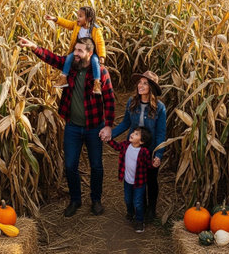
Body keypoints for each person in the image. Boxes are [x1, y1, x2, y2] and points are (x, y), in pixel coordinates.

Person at [18, 36, 114, 217]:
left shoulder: (100, 72)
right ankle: (75, 200)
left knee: (96, 166)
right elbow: (52, 58)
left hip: (94, 127)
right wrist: (33, 46)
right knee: (70, 166)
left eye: (79, 51)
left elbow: (109, 99)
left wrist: (108, 126)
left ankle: (96, 200)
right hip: (73, 126)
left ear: (90, 53)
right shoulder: (70, 67)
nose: (75, 54)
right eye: (74, 50)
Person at [100, 70, 166, 223]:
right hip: (135, 149)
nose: (140, 85)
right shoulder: (132, 102)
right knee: (139, 179)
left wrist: (158, 154)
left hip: (150, 149)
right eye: (140, 82)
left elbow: (161, 133)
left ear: (151, 88)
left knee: (151, 180)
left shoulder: (160, 108)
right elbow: (125, 123)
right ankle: (140, 209)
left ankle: (152, 209)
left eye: (145, 83)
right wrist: (111, 134)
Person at [45, 6, 105, 94]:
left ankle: (96, 83)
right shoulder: (77, 25)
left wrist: (102, 56)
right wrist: (55, 19)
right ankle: (63, 78)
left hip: (91, 52)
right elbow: (67, 23)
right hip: (78, 51)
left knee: (95, 61)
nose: (77, 18)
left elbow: (100, 43)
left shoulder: (95, 30)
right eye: (77, 16)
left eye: (80, 16)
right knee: (69, 58)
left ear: (89, 18)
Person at [108, 127, 152, 233]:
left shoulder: (144, 152)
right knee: (127, 199)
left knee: (137, 202)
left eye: (136, 134)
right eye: (133, 132)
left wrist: (154, 164)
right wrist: (108, 140)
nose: (132, 134)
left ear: (141, 141)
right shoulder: (125, 145)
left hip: (139, 183)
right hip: (127, 181)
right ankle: (130, 213)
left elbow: (148, 165)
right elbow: (117, 147)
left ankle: (139, 221)